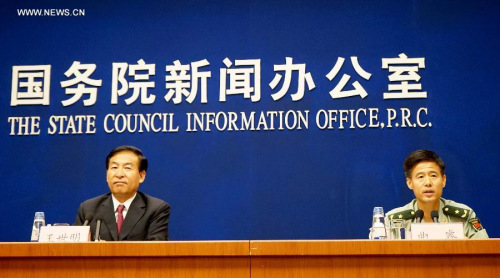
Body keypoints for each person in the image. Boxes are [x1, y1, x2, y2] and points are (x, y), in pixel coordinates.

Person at [74, 145, 170, 241]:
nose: (119, 174)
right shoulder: (88, 209)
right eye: (114, 167)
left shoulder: (156, 209)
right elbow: (75, 249)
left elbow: (155, 250)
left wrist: (106, 250)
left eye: (127, 168)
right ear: (107, 175)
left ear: (141, 176)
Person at [385, 150, 488, 239]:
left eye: (433, 175)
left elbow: (486, 251)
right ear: (410, 183)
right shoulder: (393, 220)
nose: (428, 183)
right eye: (420, 177)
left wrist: (467, 246)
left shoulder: (464, 215)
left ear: (443, 180)